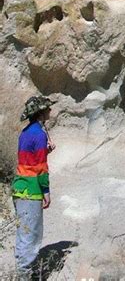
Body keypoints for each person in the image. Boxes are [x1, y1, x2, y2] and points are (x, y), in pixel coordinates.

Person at [11, 95, 56, 279]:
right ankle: (24, 276)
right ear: (41, 113)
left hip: (19, 188)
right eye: (47, 108)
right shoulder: (39, 134)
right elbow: (40, 168)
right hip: (31, 191)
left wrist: (45, 150)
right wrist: (46, 191)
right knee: (32, 235)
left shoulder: (26, 132)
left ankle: (21, 272)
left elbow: (28, 160)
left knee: (24, 233)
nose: (50, 111)